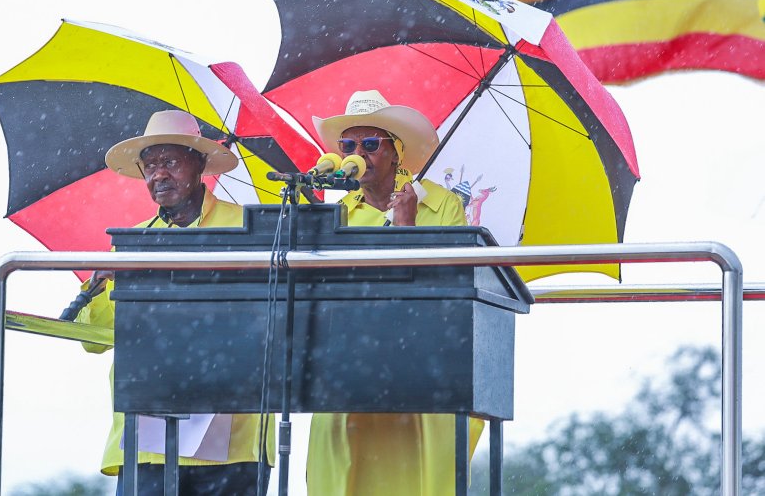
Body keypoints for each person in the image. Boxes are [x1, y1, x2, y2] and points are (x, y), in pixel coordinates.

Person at [76, 110, 273, 496]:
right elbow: (93, 339)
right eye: (150, 166)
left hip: (233, 440)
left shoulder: (250, 229)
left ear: (199, 165)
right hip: (149, 441)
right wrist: (99, 285)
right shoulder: (130, 242)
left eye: (169, 162)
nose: (158, 175)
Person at [305, 90, 485, 496]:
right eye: (348, 146)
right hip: (350, 364)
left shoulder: (441, 205)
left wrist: (407, 228)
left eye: (370, 144)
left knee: (424, 477)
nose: (358, 154)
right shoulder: (337, 215)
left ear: (396, 152)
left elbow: (449, 290)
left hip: (422, 365)